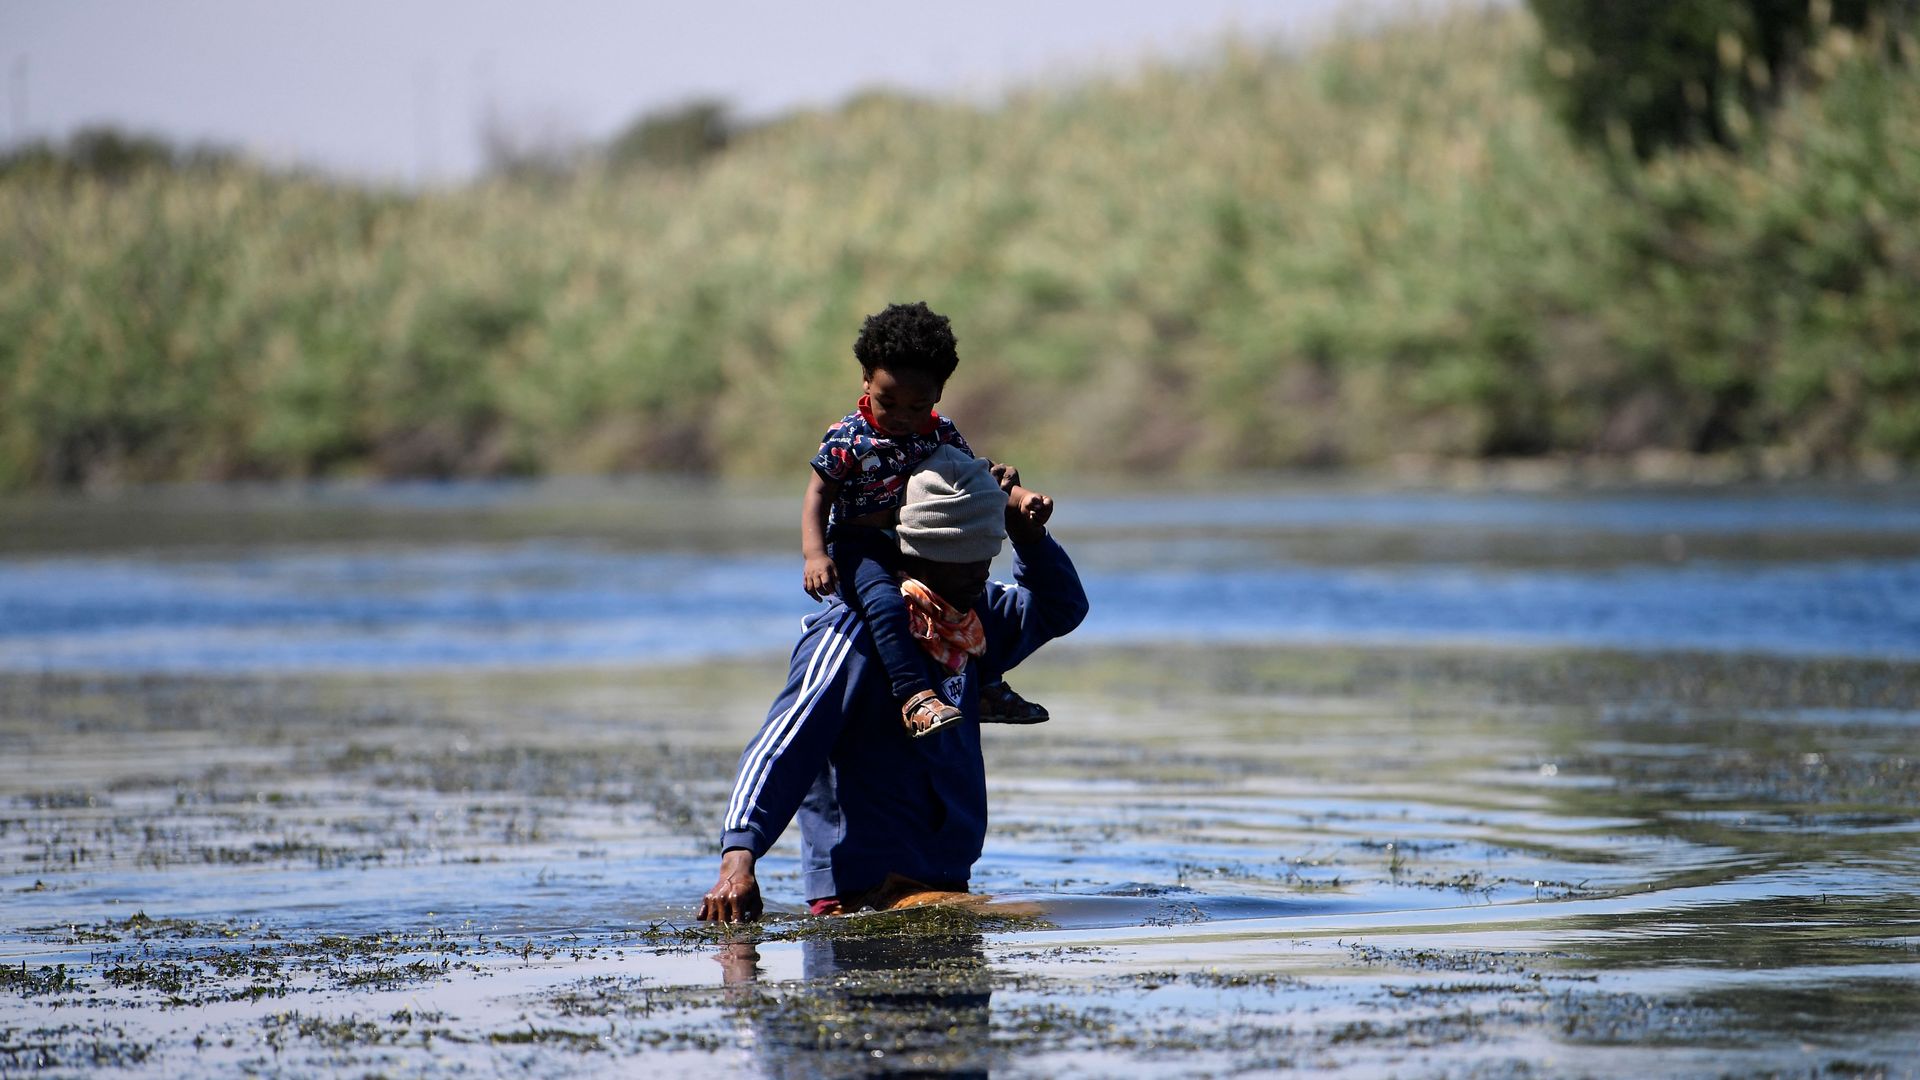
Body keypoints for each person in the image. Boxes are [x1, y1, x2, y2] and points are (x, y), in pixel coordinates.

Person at [700, 445, 1088, 921]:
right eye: (961, 561)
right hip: (864, 891)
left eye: (984, 558)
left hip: (946, 877)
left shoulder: (968, 619)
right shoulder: (851, 639)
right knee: (1037, 916)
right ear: (916, 555)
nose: (978, 575)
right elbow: (781, 748)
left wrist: (1028, 538)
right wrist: (738, 860)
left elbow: (1060, 607)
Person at [802, 301, 1053, 739]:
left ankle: (985, 685)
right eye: (888, 401)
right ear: (865, 380)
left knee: (963, 596)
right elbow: (818, 495)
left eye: (917, 406)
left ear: (938, 393)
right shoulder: (848, 437)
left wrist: (1023, 498)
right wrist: (815, 555)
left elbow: (979, 477)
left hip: (911, 543)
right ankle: (914, 697)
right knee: (886, 605)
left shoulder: (939, 431)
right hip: (859, 546)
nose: (901, 416)